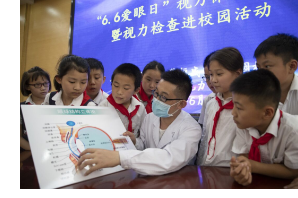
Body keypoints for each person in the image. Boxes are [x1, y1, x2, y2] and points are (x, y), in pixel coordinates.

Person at [77, 69, 202, 176]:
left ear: (181, 104)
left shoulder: (191, 129)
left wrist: (120, 157)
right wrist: (135, 142)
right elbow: (145, 145)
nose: (156, 100)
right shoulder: (150, 118)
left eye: (163, 97)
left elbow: (169, 159)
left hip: (177, 180)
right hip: (147, 179)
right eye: (156, 93)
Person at [229, 69, 298, 186]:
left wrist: (252, 165)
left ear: (267, 113)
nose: (233, 113)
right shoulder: (243, 125)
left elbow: (293, 171)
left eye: (239, 108)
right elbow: (243, 156)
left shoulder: (293, 131)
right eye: (233, 105)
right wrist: (242, 170)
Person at [197, 47, 243, 167]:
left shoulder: (246, 106)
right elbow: (205, 138)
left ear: (237, 74)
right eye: (211, 74)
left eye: (219, 74)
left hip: (231, 170)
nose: (213, 80)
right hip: (207, 169)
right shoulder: (211, 103)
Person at [254, 33, 298, 115]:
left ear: (291, 66)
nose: (261, 73)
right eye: (258, 67)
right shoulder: (254, 94)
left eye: (267, 66)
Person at [99, 63, 146, 138]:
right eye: (116, 86)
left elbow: (143, 139)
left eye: (126, 88)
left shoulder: (140, 108)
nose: (119, 92)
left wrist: (135, 142)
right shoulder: (103, 107)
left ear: (136, 90)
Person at [20, 66, 52, 151]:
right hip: (27, 152)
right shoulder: (21, 108)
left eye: (45, 83)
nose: (43, 88)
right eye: (37, 84)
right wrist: (34, 150)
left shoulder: (55, 104)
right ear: (27, 86)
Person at [198, 51, 217, 128]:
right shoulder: (208, 100)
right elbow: (204, 132)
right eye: (207, 77)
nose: (211, 81)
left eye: (218, 74)